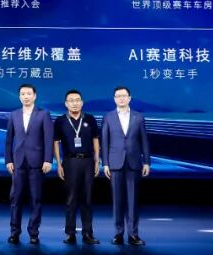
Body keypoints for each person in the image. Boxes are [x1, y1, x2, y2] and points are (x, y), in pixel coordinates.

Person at [101, 86, 151, 246]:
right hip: (115, 163)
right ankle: (118, 233)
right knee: (117, 200)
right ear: (114, 99)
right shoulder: (108, 117)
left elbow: (144, 140)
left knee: (133, 200)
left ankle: (133, 234)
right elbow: (104, 142)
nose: (121, 98)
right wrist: (105, 163)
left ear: (130, 98)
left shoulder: (138, 117)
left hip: (134, 162)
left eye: (124, 96)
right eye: (118, 96)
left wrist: (147, 161)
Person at [4, 83, 53, 244]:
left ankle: (33, 233)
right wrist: (8, 160)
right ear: (19, 97)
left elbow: (48, 139)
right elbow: (9, 140)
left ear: (34, 96)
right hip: (18, 162)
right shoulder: (14, 115)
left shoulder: (43, 114)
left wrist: (48, 159)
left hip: (37, 162)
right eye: (23, 94)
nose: (26, 96)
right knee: (15, 199)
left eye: (28, 93)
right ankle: (14, 232)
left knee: (36, 199)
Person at [53, 89, 101, 244]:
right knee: (71, 198)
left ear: (82, 102)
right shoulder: (60, 121)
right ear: (66, 103)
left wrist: (97, 160)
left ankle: (88, 234)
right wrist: (59, 164)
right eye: (71, 100)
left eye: (77, 100)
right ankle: (70, 233)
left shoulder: (90, 119)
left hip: (88, 161)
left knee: (87, 198)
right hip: (70, 162)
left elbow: (95, 140)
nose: (74, 103)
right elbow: (56, 142)